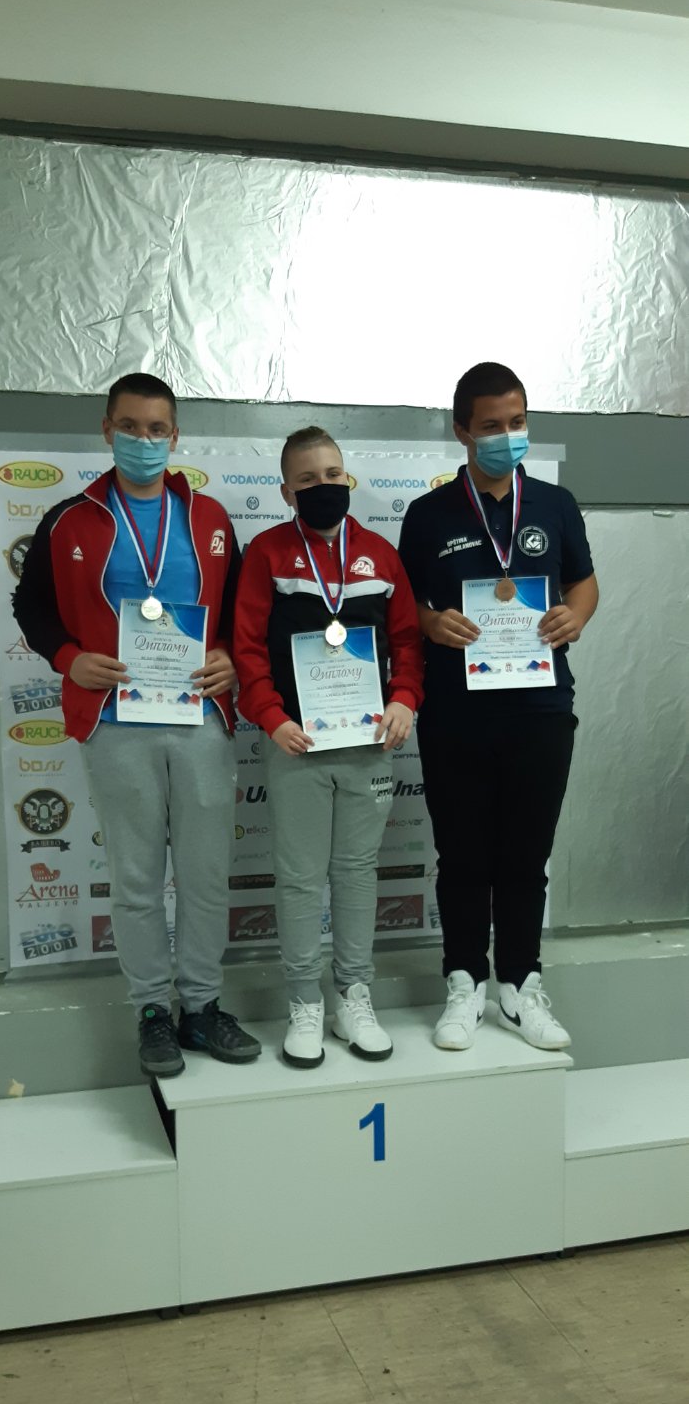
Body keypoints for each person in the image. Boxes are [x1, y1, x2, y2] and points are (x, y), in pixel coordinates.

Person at [13, 372, 260, 1077]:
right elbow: (31, 606)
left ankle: (202, 1007)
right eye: (130, 427)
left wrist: (229, 658)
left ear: (174, 436)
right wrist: (69, 658)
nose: (143, 440)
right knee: (136, 878)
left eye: (156, 430)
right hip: (115, 720)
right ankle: (153, 1010)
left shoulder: (210, 517)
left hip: (199, 715)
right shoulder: (70, 518)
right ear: (107, 430)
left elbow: (239, 613)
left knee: (206, 875)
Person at [399, 362, 598, 1052]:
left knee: (525, 854)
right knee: (461, 855)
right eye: (491, 426)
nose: (507, 436)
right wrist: (430, 623)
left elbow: (584, 584)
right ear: (462, 431)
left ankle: (520, 982)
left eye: (516, 422)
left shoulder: (555, 504)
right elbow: (405, 605)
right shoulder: (428, 515)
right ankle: (464, 981)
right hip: (456, 711)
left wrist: (575, 616)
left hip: (541, 709)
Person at [233, 426, 424, 1068]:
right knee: (298, 876)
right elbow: (247, 647)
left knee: (356, 872)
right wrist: (270, 717)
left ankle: (353, 995)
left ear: (348, 479)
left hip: (368, 742)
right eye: (308, 479)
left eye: (333, 475)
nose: (323, 486)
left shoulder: (381, 555)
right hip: (296, 742)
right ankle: (304, 999)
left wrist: (404, 699)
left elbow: (408, 642)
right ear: (286, 491)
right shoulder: (266, 553)